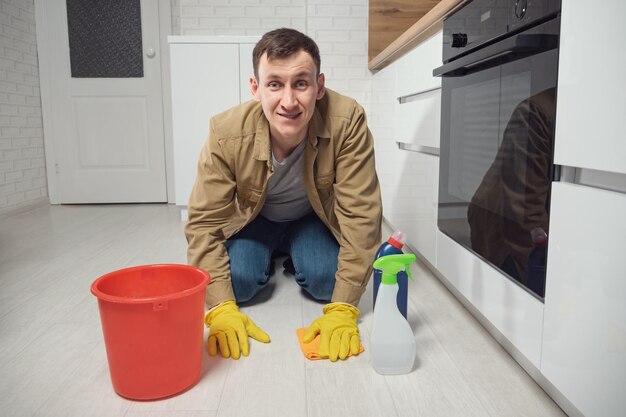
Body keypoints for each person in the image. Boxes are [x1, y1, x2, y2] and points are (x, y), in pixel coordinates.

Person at [185, 28, 382, 362]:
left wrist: (345, 306)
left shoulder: (347, 120)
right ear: (255, 88)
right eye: (274, 84)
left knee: (325, 284)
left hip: (311, 218)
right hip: (255, 218)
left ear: (319, 86)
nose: (288, 102)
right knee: (238, 286)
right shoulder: (226, 132)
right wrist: (219, 306)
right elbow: (204, 222)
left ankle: (295, 251)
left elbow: (361, 215)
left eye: (301, 83)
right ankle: (273, 253)